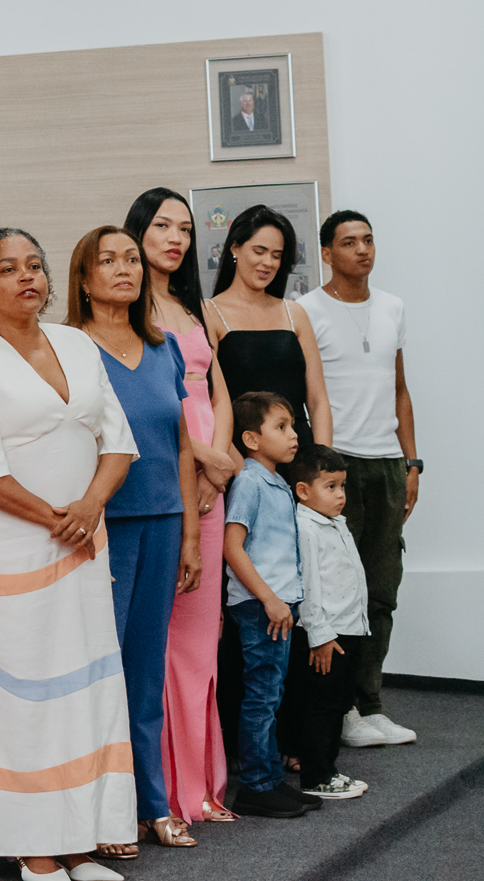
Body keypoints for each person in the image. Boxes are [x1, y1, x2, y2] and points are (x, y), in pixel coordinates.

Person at [0, 227, 139, 876]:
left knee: (83, 696)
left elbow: (116, 441)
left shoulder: (77, 344)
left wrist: (90, 506)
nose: (28, 277)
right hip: (11, 553)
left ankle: (79, 842)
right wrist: (58, 518)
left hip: (82, 546)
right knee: (23, 702)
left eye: (36, 265)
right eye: (9, 268)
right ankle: (36, 853)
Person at [65, 226, 203, 856]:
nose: (124, 269)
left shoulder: (164, 346)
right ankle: (103, 813)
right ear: (83, 277)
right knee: (102, 673)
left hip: (164, 520)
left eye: (130, 259)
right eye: (108, 261)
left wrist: (191, 534)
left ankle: (153, 803)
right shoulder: (68, 349)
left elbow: (181, 444)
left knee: (146, 675)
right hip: (103, 526)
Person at [125, 186, 236, 825]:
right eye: (163, 225)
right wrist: (201, 459)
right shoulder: (128, 306)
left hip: (209, 473)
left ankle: (203, 784)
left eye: (186, 229)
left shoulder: (196, 307)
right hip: (163, 470)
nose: (175, 238)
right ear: (138, 231)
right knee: (160, 637)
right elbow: (149, 403)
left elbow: (219, 391)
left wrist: (220, 463)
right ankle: (164, 789)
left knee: (201, 635)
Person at [296, 210, 418, 749]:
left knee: (381, 592)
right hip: (337, 464)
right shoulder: (306, 310)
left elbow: (399, 390)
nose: (362, 249)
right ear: (327, 253)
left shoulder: (392, 307)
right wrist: (320, 469)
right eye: (349, 242)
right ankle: (340, 709)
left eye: (368, 240)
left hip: (387, 463)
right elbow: (308, 393)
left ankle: (371, 705)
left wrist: (412, 462)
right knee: (337, 592)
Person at [221, 392, 310, 818]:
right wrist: (270, 599)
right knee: (261, 695)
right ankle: (256, 786)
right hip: (262, 606)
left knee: (272, 694)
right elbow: (232, 546)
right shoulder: (250, 482)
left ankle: (271, 780)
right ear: (251, 440)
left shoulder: (276, 482)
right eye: (281, 427)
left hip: (277, 605)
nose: (293, 435)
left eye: (292, 426)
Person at [281, 444, 372, 801]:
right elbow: (308, 586)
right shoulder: (306, 528)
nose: (340, 495)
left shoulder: (334, 523)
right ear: (303, 491)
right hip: (326, 635)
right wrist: (319, 635)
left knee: (337, 701)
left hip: (348, 629)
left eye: (343, 486)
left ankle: (321, 766)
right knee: (323, 704)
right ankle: (318, 776)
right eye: (330, 486)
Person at [205, 206, 334, 454]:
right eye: (259, 251)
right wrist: (237, 467)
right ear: (234, 248)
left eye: (276, 255)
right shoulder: (209, 313)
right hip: (241, 456)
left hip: (299, 454)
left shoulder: (294, 312)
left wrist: (323, 462)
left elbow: (318, 401)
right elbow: (210, 404)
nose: (268, 263)